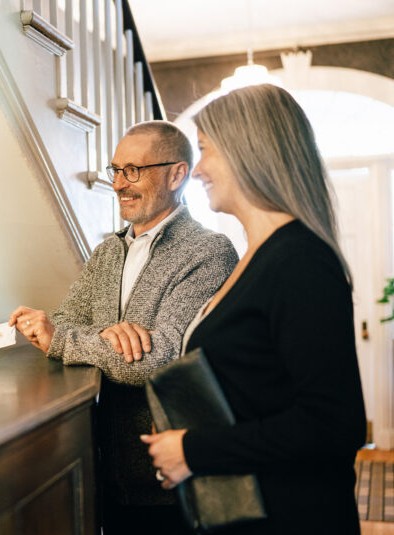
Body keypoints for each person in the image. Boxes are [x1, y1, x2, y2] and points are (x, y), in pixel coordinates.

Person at [142, 84, 366, 534]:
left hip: (294, 515)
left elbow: (333, 425)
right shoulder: (256, 258)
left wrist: (194, 450)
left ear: (248, 150)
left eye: (205, 150)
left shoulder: (300, 261)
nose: (198, 169)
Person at [9, 121, 238, 533]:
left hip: (172, 487)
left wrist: (66, 340)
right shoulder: (106, 252)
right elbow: (63, 320)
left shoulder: (209, 252)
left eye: (132, 170)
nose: (117, 184)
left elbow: (160, 359)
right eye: (115, 169)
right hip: (106, 475)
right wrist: (103, 335)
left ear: (177, 174)